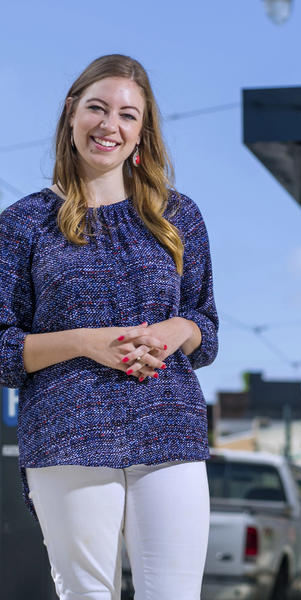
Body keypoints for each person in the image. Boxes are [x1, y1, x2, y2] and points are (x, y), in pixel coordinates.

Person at [0, 54, 218, 599]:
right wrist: (86, 344)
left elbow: (206, 328)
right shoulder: (24, 223)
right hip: (68, 433)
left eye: (127, 115)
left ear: (142, 131)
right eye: (97, 108)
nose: (109, 125)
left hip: (169, 428)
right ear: (72, 113)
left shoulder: (178, 216)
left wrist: (175, 332)